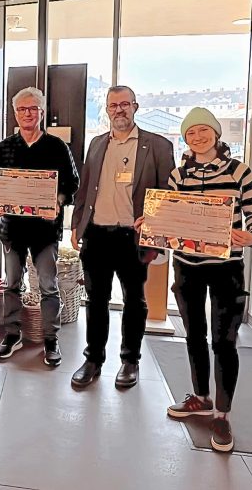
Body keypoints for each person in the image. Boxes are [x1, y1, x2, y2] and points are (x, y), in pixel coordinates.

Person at [150, 107, 252, 452]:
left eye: (203, 131)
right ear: (185, 138)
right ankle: (200, 397)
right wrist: (151, 222)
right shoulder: (179, 175)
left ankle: (223, 415)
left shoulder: (238, 171)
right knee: (194, 336)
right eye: (190, 133)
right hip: (186, 267)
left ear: (216, 134)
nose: (198, 138)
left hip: (226, 268)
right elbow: (167, 215)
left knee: (224, 340)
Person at [70, 85, 175, 389]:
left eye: (125, 104)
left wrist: (155, 235)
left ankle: (130, 360)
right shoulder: (97, 144)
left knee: (134, 301)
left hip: (133, 238)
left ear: (135, 107)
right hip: (97, 235)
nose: (119, 110)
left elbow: (167, 195)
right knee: (96, 300)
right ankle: (93, 359)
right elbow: (85, 188)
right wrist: (77, 225)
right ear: (107, 109)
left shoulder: (157, 146)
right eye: (113, 105)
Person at [0, 87, 79, 367]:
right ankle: (13, 334)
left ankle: (50, 338)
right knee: (12, 284)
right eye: (22, 109)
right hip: (12, 230)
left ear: (41, 112)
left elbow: (72, 183)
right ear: (15, 113)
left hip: (45, 231)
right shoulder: (5, 147)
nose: (27, 114)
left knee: (48, 286)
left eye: (33, 109)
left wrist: (59, 200)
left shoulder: (57, 147)